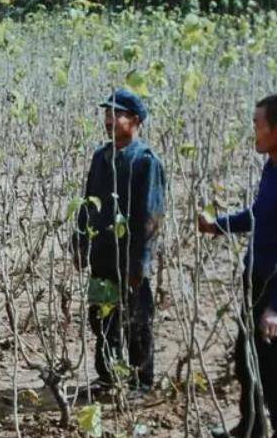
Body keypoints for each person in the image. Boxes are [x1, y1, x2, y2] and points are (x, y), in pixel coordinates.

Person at [200, 94, 277, 438]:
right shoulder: (273, 167)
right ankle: (251, 427)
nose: (253, 132)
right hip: (258, 277)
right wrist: (219, 225)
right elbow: (261, 215)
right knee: (247, 359)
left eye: (258, 125)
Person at [73, 88, 166, 392]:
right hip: (101, 254)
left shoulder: (145, 161)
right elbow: (88, 200)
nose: (109, 119)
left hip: (129, 258)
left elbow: (151, 216)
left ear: (135, 120)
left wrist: (140, 263)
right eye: (107, 113)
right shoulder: (101, 157)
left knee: (136, 322)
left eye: (117, 114)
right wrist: (79, 241)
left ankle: (142, 382)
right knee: (102, 318)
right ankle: (108, 375)